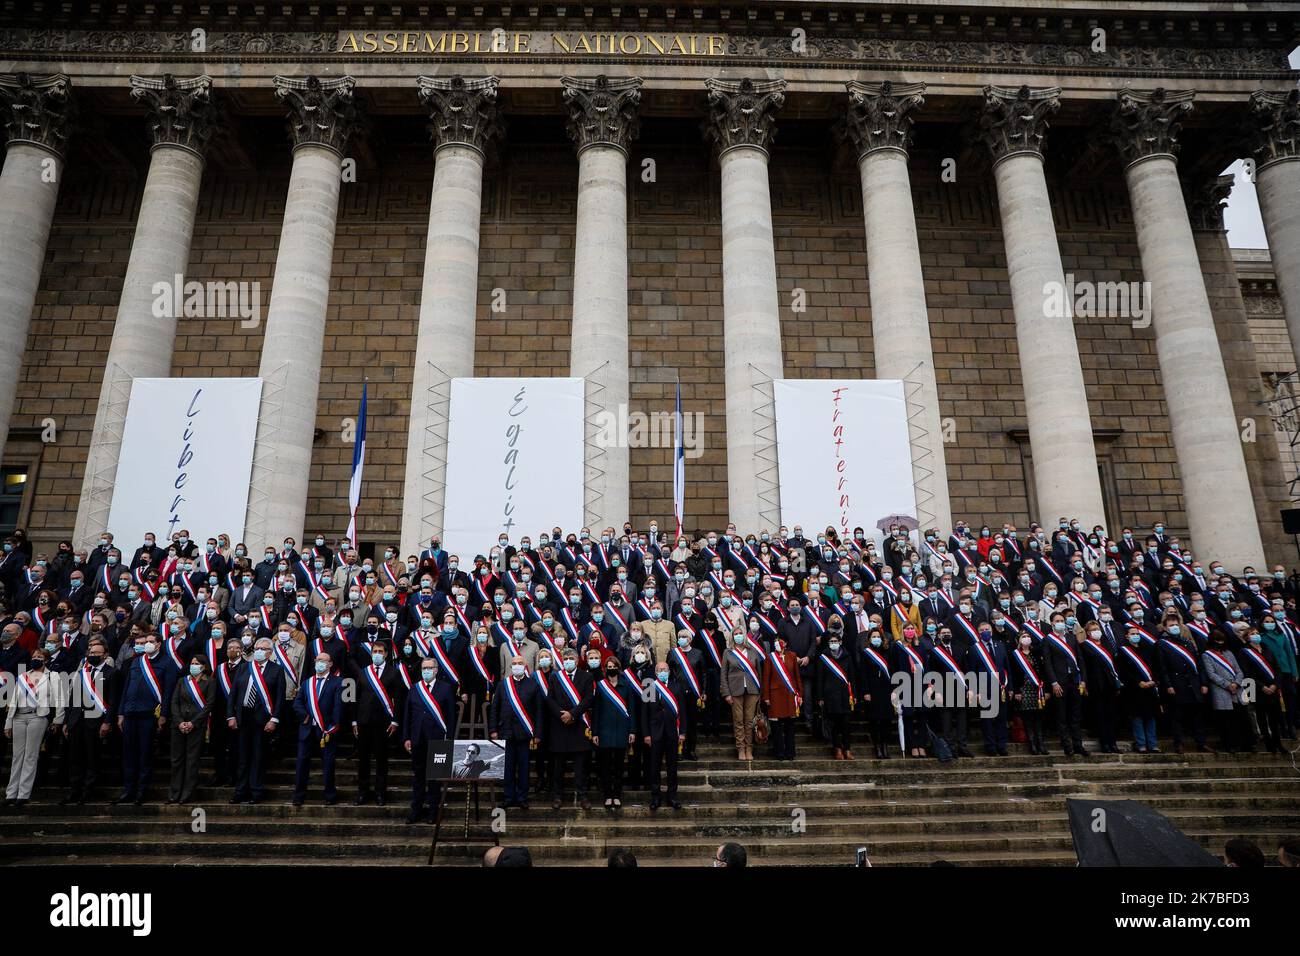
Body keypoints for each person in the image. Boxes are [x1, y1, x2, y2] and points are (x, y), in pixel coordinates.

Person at [116, 630, 179, 804]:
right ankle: (128, 790)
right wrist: (121, 712)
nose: (147, 644)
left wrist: (164, 715)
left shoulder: (167, 663)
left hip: (149, 715)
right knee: (129, 754)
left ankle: (141, 791)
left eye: (151, 641)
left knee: (145, 754)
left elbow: (168, 692)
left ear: (159, 644)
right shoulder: (137, 661)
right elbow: (127, 688)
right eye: (145, 642)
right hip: (130, 713)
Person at [228, 636, 285, 804]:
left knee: (258, 757)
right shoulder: (244, 668)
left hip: (262, 720)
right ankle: (240, 791)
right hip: (243, 718)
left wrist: (274, 719)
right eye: (257, 648)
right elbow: (234, 694)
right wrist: (231, 715)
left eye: (263, 649)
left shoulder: (276, 670)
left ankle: (256, 792)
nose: (259, 651)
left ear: (270, 653)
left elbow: (280, 697)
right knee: (242, 757)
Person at [4, 647, 64, 807]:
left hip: (37, 716)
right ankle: (11, 793)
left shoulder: (53, 676)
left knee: (30, 755)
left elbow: (59, 699)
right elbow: (14, 701)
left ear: (46, 660)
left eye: (39, 656)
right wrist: (8, 722)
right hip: (18, 717)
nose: (35, 658)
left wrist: (58, 719)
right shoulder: (23, 676)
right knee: (17, 756)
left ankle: (23, 794)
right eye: (34, 656)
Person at [61, 636, 117, 805]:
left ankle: (88, 792)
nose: (93, 655)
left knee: (92, 758)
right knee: (75, 758)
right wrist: (66, 721)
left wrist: (108, 722)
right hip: (76, 721)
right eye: (91, 652)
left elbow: (113, 701)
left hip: (96, 721)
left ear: (105, 655)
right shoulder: (81, 673)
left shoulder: (112, 673)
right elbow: (72, 698)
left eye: (97, 653)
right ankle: (74, 791)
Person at [350, 638, 405, 806]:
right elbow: (353, 698)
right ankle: (362, 793)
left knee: (381, 760)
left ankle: (380, 793)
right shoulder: (363, 672)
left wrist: (395, 721)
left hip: (383, 723)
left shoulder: (393, 672)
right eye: (375, 652)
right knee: (363, 760)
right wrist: (353, 721)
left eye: (381, 652)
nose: (377, 654)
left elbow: (400, 698)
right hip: (364, 722)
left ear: (386, 654)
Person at [403, 656, 458, 824]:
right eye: (423, 668)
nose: (426, 671)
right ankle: (416, 810)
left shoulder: (446, 689)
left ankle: (433, 811)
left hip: (438, 739)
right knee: (418, 777)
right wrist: (406, 737)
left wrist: (449, 739)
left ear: (436, 670)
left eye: (429, 668)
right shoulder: (414, 689)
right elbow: (407, 715)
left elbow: (451, 717)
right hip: (418, 739)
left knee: (435, 778)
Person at [490, 652, 543, 810]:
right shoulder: (503, 684)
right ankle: (508, 797)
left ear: (525, 666)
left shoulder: (533, 685)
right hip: (506, 732)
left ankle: (522, 797)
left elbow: (539, 711)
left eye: (520, 663)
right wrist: (493, 729)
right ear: (511, 667)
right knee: (508, 767)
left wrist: (538, 734)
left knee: (524, 767)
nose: (517, 666)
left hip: (524, 734)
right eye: (514, 664)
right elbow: (495, 708)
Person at [292, 651, 345, 807]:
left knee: (328, 764)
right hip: (307, 730)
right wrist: (306, 716)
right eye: (317, 660)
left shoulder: (339, 682)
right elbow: (297, 703)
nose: (319, 662)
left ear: (330, 664)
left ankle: (330, 795)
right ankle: (299, 796)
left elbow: (338, 707)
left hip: (326, 730)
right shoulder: (307, 682)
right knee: (302, 764)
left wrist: (332, 726)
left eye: (323, 660)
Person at [547, 647, 593, 810]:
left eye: (571, 659)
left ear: (577, 660)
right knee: (558, 765)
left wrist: (572, 714)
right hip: (560, 726)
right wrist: (562, 715)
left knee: (580, 765)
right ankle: (557, 796)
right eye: (565, 659)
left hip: (578, 725)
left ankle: (582, 795)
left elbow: (588, 699)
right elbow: (550, 699)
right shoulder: (555, 677)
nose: (568, 661)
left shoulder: (586, 676)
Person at [591, 656, 637, 811]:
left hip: (622, 730)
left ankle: (617, 794)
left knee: (618, 766)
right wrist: (595, 732)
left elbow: (632, 710)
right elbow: (596, 711)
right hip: (604, 731)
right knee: (605, 766)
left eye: (613, 666)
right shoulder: (601, 686)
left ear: (618, 667)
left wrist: (632, 730)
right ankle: (607, 795)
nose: (611, 668)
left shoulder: (627, 686)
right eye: (608, 666)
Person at [167, 654, 213, 804]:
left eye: (197, 663)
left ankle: (187, 794)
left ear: (203, 666)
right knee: (177, 760)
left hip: (197, 726)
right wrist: (180, 721)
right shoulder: (182, 681)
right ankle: (174, 794)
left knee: (192, 760)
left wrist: (193, 723)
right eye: (192, 662)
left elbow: (209, 706)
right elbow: (174, 702)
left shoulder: (210, 682)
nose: (193, 665)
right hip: (178, 726)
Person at [641, 660, 684, 810]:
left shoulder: (676, 686)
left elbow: (683, 713)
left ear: (669, 671)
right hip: (654, 733)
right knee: (654, 766)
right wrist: (646, 734)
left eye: (665, 669)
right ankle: (655, 797)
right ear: (656, 672)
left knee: (672, 767)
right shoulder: (649, 686)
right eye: (659, 669)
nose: (662, 671)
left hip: (673, 732)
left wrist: (683, 732)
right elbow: (644, 714)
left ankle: (672, 797)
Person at [720, 626, 763, 760]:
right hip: (734, 691)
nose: (738, 636)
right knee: (738, 721)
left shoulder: (752, 651)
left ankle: (749, 748)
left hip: (752, 691)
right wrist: (726, 693)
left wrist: (760, 692)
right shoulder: (728, 652)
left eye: (740, 633)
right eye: (735, 634)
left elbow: (759, 673)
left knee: (749, 721)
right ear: (732, 637)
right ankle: (741, 748)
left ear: (744, 636)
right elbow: (724, 674)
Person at [816, 624, 857, 760]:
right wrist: (820, 696)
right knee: (834, 725)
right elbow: (820, 678)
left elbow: (852, 677)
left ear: (840, 642)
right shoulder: (823, 658)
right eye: (831, 642)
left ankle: (848, 749)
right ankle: (837, 749)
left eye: (836, 641)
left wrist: (854, 694)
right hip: (830, 695)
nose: (834, 643)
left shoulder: (847, 656)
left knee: (846, 724)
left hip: (845, 695)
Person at [763, 636, 803, 761]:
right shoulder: (770, 657)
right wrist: (766, 696)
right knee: (776, 726)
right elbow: (766, 679)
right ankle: (779, 752)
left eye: (779, 641)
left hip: (790, 695)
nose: (777, 643)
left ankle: (790, 752)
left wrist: (800, 694)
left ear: (785, 643)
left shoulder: (792, 656)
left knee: (790, 725)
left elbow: (797, 677)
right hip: (775, 696)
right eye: (774, 641)